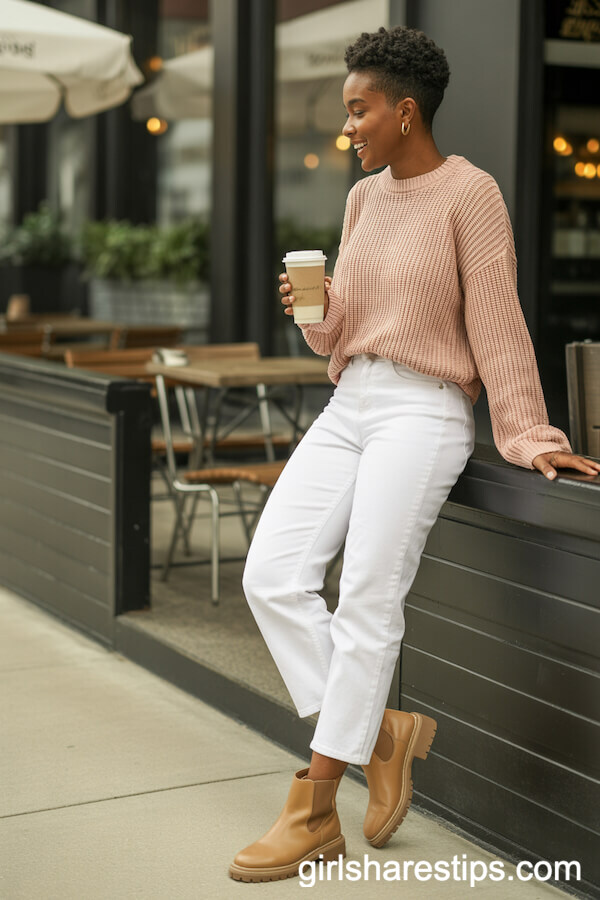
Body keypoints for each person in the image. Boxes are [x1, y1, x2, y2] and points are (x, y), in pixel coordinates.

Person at [229, 25, 600, 884]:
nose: (349, 126)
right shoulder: (364, 201)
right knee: (271, 575)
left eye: (359, 110)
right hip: (351, 397)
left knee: (367, 595)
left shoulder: (471, 195)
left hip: (425, 410)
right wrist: (311, 307)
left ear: (405, 110)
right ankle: (382, 734)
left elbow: (497, 320)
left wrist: (533, 433)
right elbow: (341, 329)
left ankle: (314, 810)